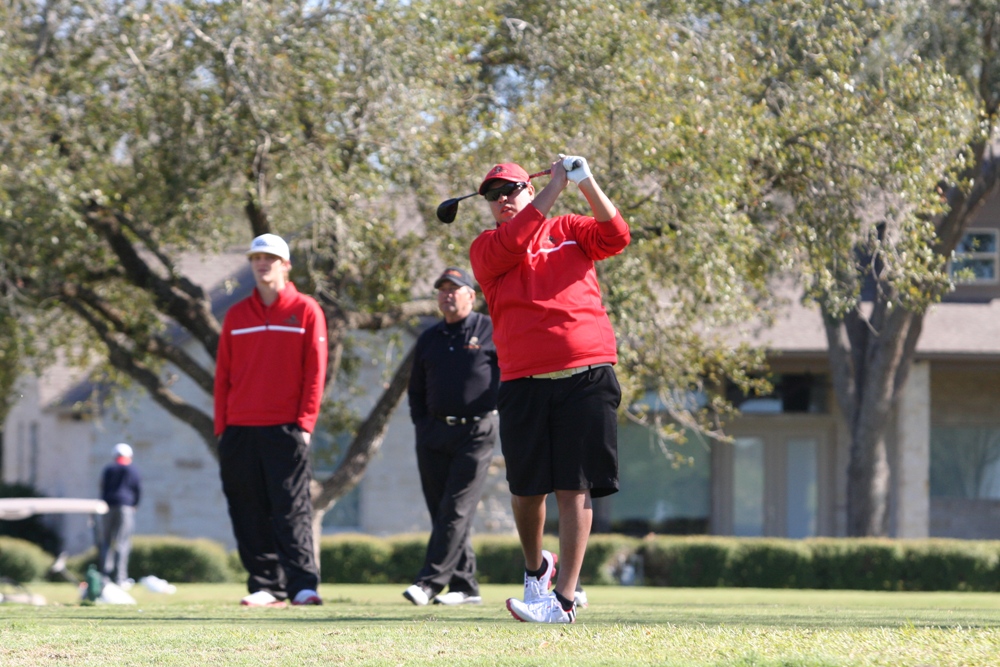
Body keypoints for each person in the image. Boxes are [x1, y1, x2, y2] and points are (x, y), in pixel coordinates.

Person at [469, 155, 630, 623]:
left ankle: (562, 598)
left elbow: (617, 236)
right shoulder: (486, 247)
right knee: (526, 490)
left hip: (586, 372)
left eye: (510, 191)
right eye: (492, 196)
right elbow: (516, 240)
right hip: (524, 379)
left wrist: (585, 181)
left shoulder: (570, 229)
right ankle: (536, 567)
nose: (502, 201)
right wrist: (553, 187)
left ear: (527, 187)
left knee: (573, 487)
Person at [214, 233, 328, 607]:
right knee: (247, 509)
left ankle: (302, 586)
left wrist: (305, 425)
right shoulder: (235, 316)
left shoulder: (307, 310)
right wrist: (222, 429)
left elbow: (315, 372)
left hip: (286, 428)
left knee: (290, 509)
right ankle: (265, 585)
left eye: (270, 258)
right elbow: (223, 377)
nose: (262, 264)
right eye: (256, 258)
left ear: (285, 265)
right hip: (239, 428)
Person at [403, 267, 500, 607]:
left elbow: (506, 377)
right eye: (442, 290)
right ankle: (466, 585)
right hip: (433, 432)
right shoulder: (429, 338)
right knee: (441, 510)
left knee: (456, 509)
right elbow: (415, 389)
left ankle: (428, 583)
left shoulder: (489, 330)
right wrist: (421, 424)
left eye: (454, 289)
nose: (447, 295)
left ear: (470, 296)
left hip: (476, 431)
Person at [98, 442, 141, 587]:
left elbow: (103, 488)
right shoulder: (132, 470)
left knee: (106, 542)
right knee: (122, 543)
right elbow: (137, 490)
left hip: (108, 507)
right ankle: (120, 578)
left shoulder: (109, 469)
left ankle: (104, 577)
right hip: (126, 508)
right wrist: (135, 504)